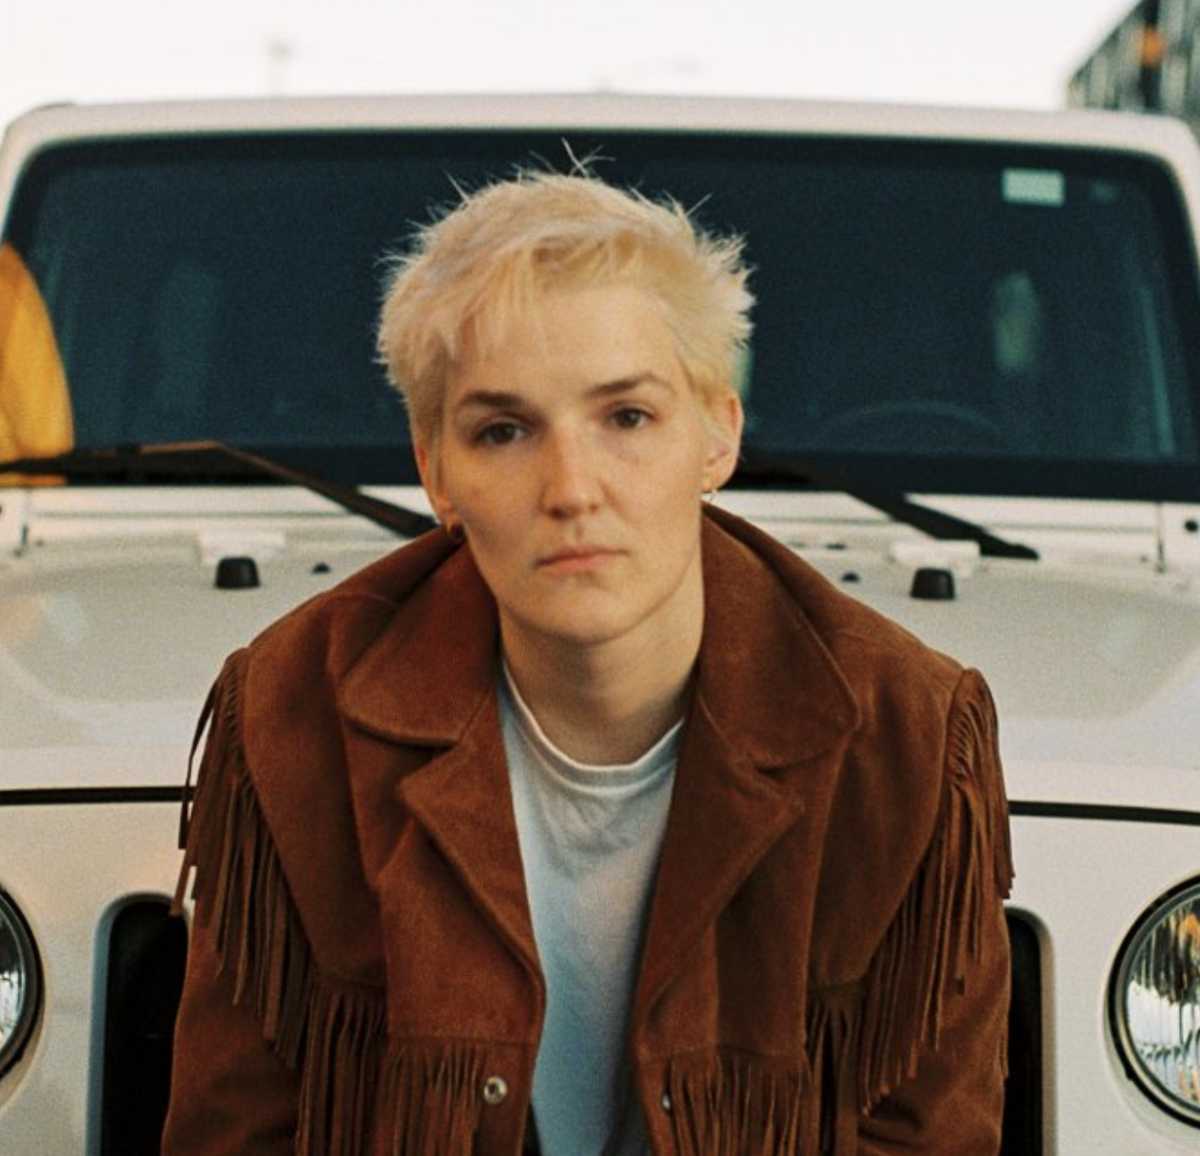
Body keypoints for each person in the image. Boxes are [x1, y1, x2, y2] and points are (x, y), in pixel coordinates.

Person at [161, 170, 1013, 1156]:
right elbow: (231, 1134)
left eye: (627, 417)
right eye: (503, 430)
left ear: (719, 432)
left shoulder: (902, 733)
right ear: (436, 471)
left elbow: (931, 1136)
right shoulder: (294, 710)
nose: (571, 488)